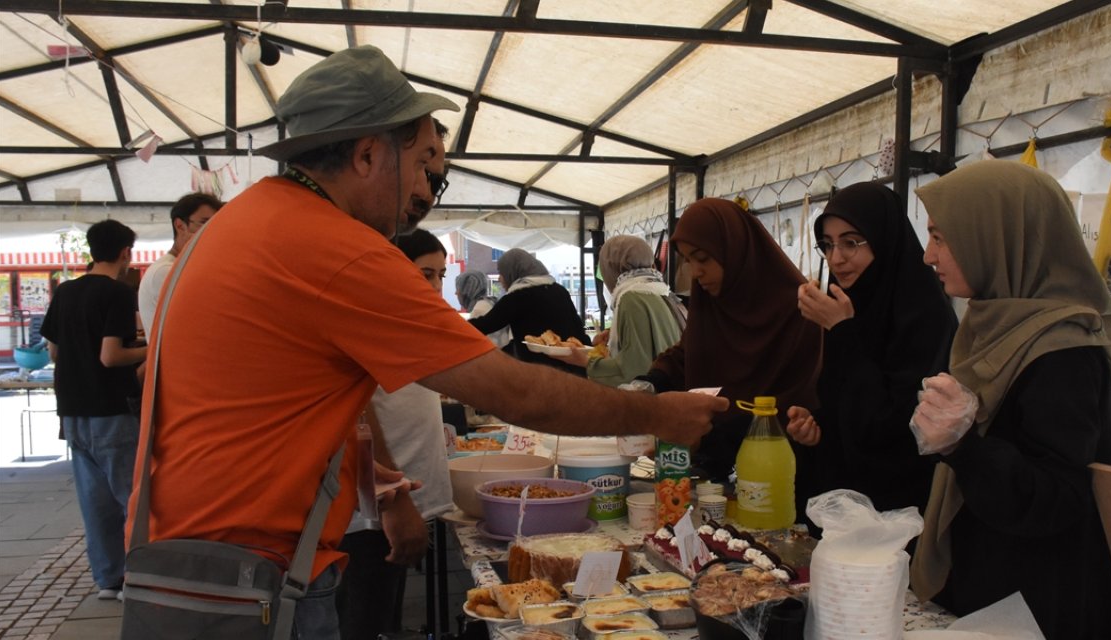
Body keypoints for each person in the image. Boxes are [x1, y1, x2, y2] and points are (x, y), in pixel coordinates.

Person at [129, 45, 725, 637]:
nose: (424, 186)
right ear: (367, 154)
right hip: (248, 571)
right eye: (420, 162)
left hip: (186, 549)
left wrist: (386, 492)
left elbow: (314, 405)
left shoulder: (244, 220)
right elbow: (511, 389)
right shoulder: (336, 250)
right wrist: (659, 414)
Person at [908, 160, 1111, 638]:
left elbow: (1057, 500)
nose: (928, 256)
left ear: (998, 236)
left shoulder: (1063, 350)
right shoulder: (990, 324)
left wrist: (963, 446)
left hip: (1039, 608)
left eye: (942, 237)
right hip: (992, 589)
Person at [786, 183, 957, 514]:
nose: (837, 258)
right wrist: (818, 426)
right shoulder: (853, 306)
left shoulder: (923, 314)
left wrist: (842, 330)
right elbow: (849, 400)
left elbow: (895, 423)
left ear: (884, 240)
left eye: (851, 243)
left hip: (900, 508)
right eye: (828, 245)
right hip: (845, 499)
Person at [639, 197, 822, 481]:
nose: (696, 273)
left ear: (735, 249)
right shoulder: (712, 301)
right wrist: (651, 382)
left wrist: (719, 433)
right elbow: (687, 355)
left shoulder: (798, 307)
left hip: (772, 469)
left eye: (703, 259)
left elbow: (798, 397)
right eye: (688, 261)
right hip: (707, 465)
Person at [336, 229, 454, 640]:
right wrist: (389, 495)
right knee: (364, 618)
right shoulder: (369, 325)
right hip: (375, 512)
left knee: (384, 614)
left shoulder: (411, 324)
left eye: (440, 275)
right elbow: (357, 415)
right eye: (424, 275)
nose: (436, 286)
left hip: (400, 501)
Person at [41, 219, 148, 601]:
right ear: (125, 253)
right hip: (111, 410)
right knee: (130, 498)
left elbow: (53, 351)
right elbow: (111, 356)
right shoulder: (117, 294)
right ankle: (138, 577)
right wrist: (152, 349)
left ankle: (109, 579)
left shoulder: (66, 291)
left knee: (94, 501)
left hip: (71, 410)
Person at [550, 235, 685, 387]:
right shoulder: (659, 290)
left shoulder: (631, 298)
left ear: (611, 267)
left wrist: (586, 361)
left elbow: (632, 369)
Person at [468, 248, 591, 373]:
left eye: (501, 273)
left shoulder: (518, 296)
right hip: (574, 368)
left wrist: (452, 324)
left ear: (512, 271)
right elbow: (578, 327)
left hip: (543, 373)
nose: (499, 279)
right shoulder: (559, 290)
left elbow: (486, 324)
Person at [137, 192, 222, 333]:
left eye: (216, 224)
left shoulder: (181, 267)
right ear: (180, 226)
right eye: (205, 223)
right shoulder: (166, 271)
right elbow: (205, 320)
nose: (211, 231)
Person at [454, 270, 510, 348]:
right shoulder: (490, 302)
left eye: (458, 288)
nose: (456, 293)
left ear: (467, 291)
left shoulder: (479, 310)